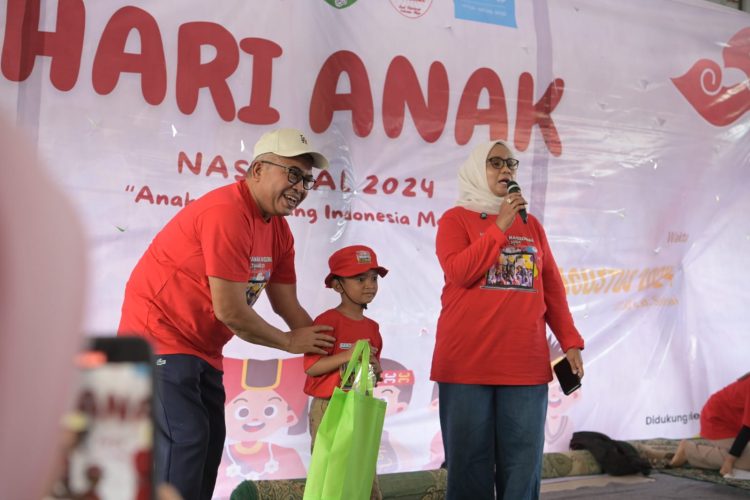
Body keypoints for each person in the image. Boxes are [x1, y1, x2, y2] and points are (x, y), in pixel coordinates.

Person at [117, 128, 336, 500]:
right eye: (292, 174)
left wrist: (334, 352)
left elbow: (287, 305)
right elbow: (231, 310)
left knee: (208, 446)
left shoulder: (279, 232)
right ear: (257, 171)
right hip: (158, 338)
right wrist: (288, 342)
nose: (300, 188)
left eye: (307, 180)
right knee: (186, 440)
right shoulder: (226, 212)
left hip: (203, 347)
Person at [430, 139, 585, 500]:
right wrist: (500, 224)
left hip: (524, 365)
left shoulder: (532, 226)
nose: (506, 170)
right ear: (475, 169)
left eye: (511, 164)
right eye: (495, 162)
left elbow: (552, 290)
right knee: (469, 467)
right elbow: (459, 272)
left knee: (522, 467)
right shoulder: (455, 220)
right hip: (467, 363)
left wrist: (570, 342)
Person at [303, 245, 388, 500]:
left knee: (363, 473)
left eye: (373, 278)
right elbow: (312, 367)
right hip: (329, 407)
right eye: (359, 279)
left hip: (359, 405)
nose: (369, 285)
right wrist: (346, 356)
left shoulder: (372, 327)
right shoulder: (327, 321)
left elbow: (372, 372)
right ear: (338, 286)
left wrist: (376, 370)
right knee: (332, 471)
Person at [670, 372, 750, 476]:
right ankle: (689, 451)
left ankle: (709, 447)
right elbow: (747, 429)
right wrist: (730, 461)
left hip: (734, 425)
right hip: (717, 422)